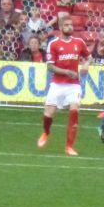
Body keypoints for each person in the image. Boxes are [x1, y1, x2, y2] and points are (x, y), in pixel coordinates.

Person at [38, 15, 90, 156]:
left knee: (74, 111)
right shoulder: (53, 44)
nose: (70, 27)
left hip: (74, 85)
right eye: (66, 25)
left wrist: (85, 65)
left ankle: (69, 146)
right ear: (60, 28)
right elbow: (50, 67)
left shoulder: (79, 42)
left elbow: (88, 56)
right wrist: (66, 71)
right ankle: (46, 132)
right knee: (48, 114)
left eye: (71, 25)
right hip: (57, 84)